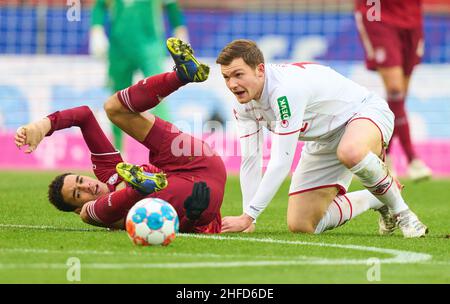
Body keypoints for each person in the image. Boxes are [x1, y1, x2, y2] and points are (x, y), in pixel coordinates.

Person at [216, 39, 428, 238]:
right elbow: (251, 158)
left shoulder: (284, 92)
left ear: (260, 70)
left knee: (350, 151)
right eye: (227, 77)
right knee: (302, 225)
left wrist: (250, 215)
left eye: (238, 75)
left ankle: (404, 214)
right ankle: (377, 198)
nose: (233, 84)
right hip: (325, 138)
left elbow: (281, 161)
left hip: (364, 113)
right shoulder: (242, 104)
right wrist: (247, 216)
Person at [15, 38, 224, 233]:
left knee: (114, 108)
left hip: (199, 160)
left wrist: (43, 126)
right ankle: (139, 188)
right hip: (198, 199)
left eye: (80, 180)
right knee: (92, 215)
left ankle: (182, 75)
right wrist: (194, 219)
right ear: (77, 207)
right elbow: (184, 225)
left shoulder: (108, 171)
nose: (87, 186)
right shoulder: (94, 212)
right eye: (78, 194)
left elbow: (85, 116)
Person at [89, 0, 189, 151]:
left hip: (150, 45)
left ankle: (171, 146)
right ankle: (118, 151)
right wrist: (96, 30)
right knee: (117, 99)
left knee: (159, 91)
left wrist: (180, 31)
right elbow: (100, 5)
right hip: (119, 48)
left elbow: (171, 6)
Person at [354, 0, 432, 181]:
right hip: (378, 15)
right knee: (395, 89)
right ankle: (413, 159)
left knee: (400, 96)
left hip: (411, 16)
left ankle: (383, 155)